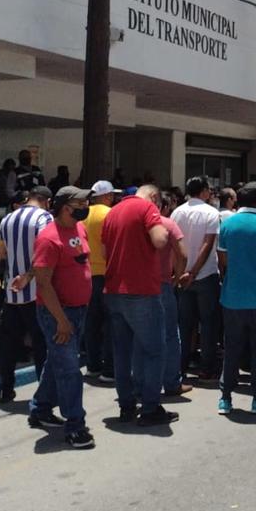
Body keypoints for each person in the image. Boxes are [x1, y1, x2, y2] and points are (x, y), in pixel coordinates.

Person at [101, 183, 177, 426]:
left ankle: (126, 406)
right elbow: (159, 240)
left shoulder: (112, 212)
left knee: (122, 352)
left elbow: (104, 252)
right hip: (142, 291)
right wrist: (160, 229)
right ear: (154, 197)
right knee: (155, 351)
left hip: (114, 291)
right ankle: (150, 408)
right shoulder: (147, 208)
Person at [28, 186, 95, 449]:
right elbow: (44, 284)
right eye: (82, 202)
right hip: (58, 313)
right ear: (67, 206)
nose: (86, 205)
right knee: (69, 369)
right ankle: (75, 425)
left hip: (79, 310)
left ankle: (41, 407)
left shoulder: (79, 229)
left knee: (58, 360)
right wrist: (61, 320)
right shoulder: (48, 238)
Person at [216, 183, 256, 415]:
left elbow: (222, 259)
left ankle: (225, 397)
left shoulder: (227, 223)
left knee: (232, 347)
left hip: (232, 296)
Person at [0, 185, 53, 404]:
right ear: (47, 201)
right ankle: (44, 396)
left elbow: (0, 253)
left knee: (10, 343)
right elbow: (47, 254)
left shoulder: (7, 219)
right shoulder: (44, 218)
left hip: (11, 292)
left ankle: (5, 389)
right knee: (41, 344)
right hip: (36, 291)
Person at [137, 187, 192, 398]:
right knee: (170, 335)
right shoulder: (168, 224)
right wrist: (177, 277)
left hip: (139, 287)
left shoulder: (138, 225)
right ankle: (171, 382)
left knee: (141, 337)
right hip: (162, 285)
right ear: (162, 205)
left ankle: (141, 383)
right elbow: (183, 255)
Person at [171, 176, 222, 382]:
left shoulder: (177, 212)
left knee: (184, 324)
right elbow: (208, 244)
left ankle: (179, 368)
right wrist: (193, 272)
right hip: (205, 275)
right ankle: (206, 369)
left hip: (181, 276)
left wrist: (181, 272)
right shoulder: (211, 213)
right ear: (203, 192)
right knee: (208, 325)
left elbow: (173, 244)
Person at [83, 180, 115, 382]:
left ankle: (92, 365)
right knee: (111, 323)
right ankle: (109, 369)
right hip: (106, 273)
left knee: (91, 322)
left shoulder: (82, 215)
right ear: (107, 197)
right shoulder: (108, 214)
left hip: (86, 274)